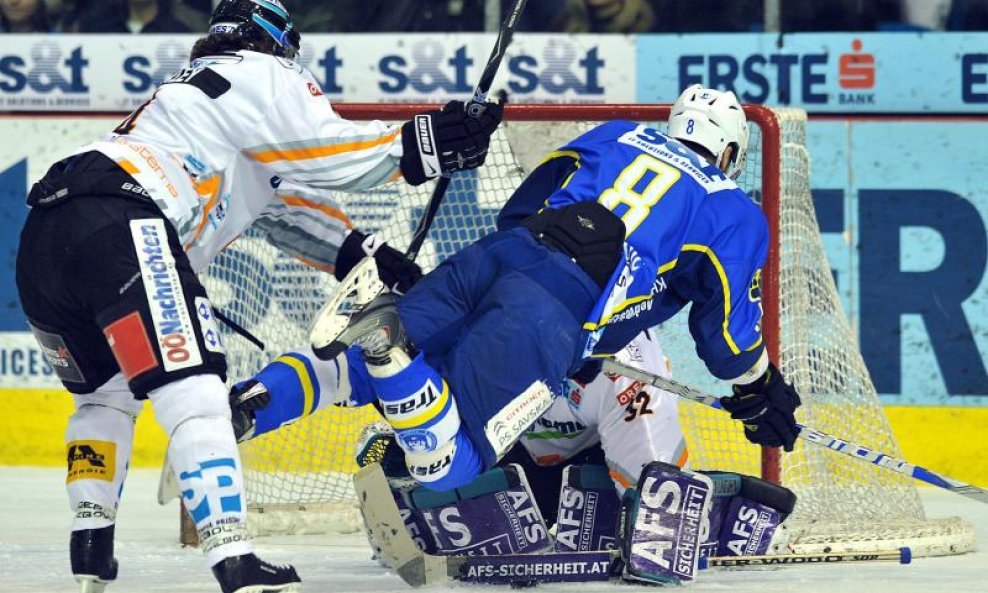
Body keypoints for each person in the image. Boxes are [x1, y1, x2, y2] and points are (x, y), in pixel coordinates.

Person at [14, 0, 501, 591]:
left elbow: (284, 202)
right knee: (196, 394)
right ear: (281, 42)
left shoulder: (192, 100)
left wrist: (363, 254)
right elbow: (329, 153)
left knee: (104, 398)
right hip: (125, 221)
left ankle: (91, 545)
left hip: (45, 230)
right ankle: (235, 559)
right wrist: (426, 142)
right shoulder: (266, 71)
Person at [311, 84, 801, 495]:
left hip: (515, 284)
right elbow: (726, 340)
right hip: (579, 331)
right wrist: (761, 389)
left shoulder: (616, 136)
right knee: (640, 385)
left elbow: (519, 213)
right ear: (730, 152)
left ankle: (413, 448)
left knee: (456, 373)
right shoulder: (730, 206)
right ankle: (654, 497)